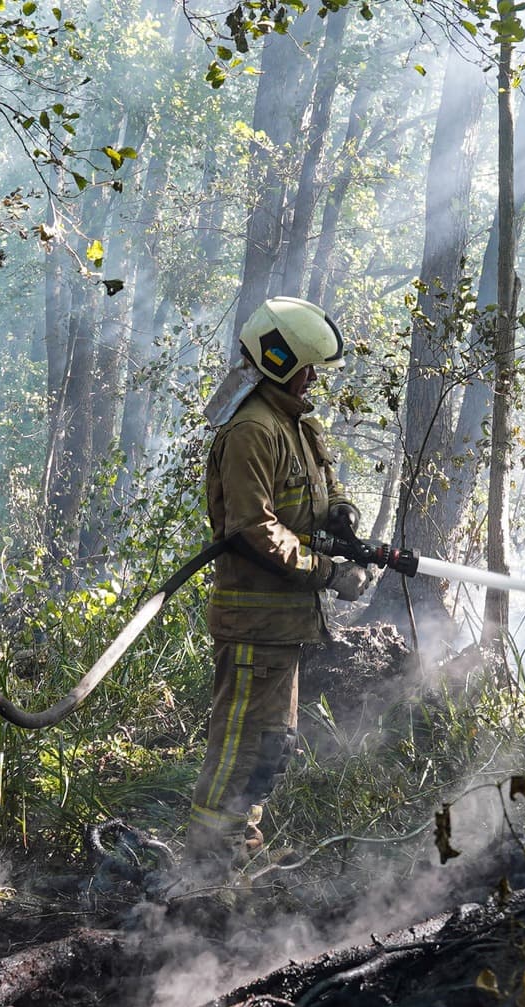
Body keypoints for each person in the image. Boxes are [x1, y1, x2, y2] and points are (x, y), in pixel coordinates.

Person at [179, 296, 375, 886]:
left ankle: (237, 858)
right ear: (279, 358)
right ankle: (207, 880)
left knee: (268, 751)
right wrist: (330, 573)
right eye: (306, 366)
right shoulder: (251, 430)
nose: (313, 377)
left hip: (285, 626)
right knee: (238, 751)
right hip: (253, 625)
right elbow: (252, 526)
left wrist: (341, 515)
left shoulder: (296, 425)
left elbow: (324, 493)